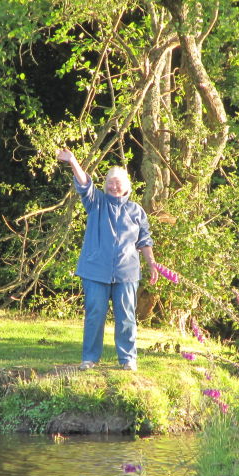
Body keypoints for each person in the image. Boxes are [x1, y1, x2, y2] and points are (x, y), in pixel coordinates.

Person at [56, 148, 159, 372]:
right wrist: (73, 160)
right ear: (105, 185)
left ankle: (127, 359)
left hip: (126, 273)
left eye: (118, 183)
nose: (114, 186)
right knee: (95, 315)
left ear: (127, 187)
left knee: (126, 318)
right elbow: (84, 184)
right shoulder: (96, 202)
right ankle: (90, 358)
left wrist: (151, 264)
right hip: (95, 271)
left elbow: (144, 240)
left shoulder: (136, 211)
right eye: (110, 182)